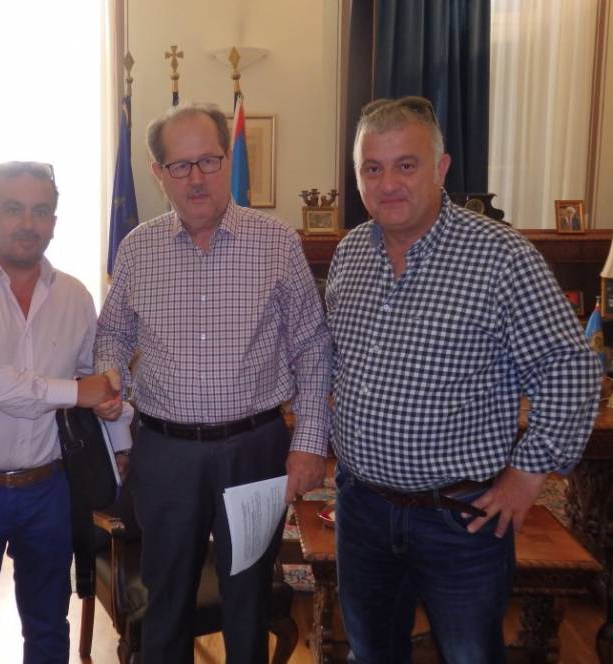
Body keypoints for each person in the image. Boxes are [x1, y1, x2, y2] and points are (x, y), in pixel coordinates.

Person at [326, 95, 602, 663]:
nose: (388, 184)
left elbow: (570, 368)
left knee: (470, 655)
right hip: (363, 510)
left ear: (442, 167)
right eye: (372, 168)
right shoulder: (351, 253)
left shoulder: (501, 257)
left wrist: (528, 474)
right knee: (370, 653)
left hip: (460, 521)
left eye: (406, 165)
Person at [94, 103, 332, 664]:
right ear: (158, 173)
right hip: (166, 454)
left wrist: (308, 443)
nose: (196, 178)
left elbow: (312, 345)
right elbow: (113, 335)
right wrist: (112, 391)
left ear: (227, 160)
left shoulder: (276, 242)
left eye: (208, 160)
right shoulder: (138, 248)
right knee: (166, 599)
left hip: (254, 451)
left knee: (248, 599)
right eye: (180, 166)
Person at [0, 161, 132, 664]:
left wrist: (112, 412)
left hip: (47, 490)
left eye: (41, 211)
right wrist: (76, 391)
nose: (27, 223)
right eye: (13, 209)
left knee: (49, 629)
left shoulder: (75, 295)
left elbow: (92, 379)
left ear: (54, 221)